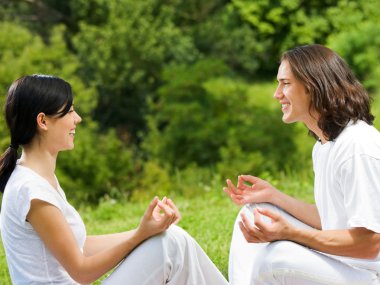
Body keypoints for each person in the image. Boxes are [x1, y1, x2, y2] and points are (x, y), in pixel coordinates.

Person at [0, 74, 229, 285]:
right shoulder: (31, 190)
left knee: (173, 237)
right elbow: (82, 272)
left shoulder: (37, 179)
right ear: (43, 121)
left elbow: (81, 246)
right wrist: (140, 235)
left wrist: (149, 230)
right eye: (69, 111)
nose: (77, 119)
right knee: (170, 246)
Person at [224, 44, 380, 285]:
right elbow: (332, 219)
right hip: (347, 267)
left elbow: (371, 243)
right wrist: (274, 196)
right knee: (256, 212)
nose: (277, 94)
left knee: (277, 258)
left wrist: (292, 234)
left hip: (370, 275)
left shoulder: (358, 147)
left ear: (313, 86)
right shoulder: (324, 146)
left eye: (285, 83)